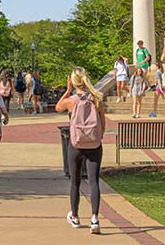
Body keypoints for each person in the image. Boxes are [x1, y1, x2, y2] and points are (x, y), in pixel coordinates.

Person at [56, 67, 105, 235]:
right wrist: (99, 137)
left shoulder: (71, 100)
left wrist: (67, 90)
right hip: (94, 144)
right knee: (94, 181)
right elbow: (102, 121)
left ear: (73, 81)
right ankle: (95, 218)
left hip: (76, 144)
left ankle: (75, 216)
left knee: (75, 181)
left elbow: (57, 108)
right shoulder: (96, 98)